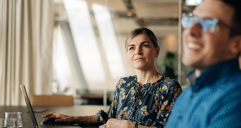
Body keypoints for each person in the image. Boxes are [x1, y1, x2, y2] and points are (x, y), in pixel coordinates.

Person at [43, 28, 182, 128]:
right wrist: (70, 119)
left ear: (157, 51)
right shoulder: (123, 84)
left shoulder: (170, 88)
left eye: (144, 46)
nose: (137, 52)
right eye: (131, 48)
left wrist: (126, 125)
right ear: (127, 54)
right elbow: (108, 117)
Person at [166, 0, 241, 127]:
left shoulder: (235, 100)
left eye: (208, 23)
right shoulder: (187, 95)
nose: (191, 30)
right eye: (191, 20)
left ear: (236, 44)